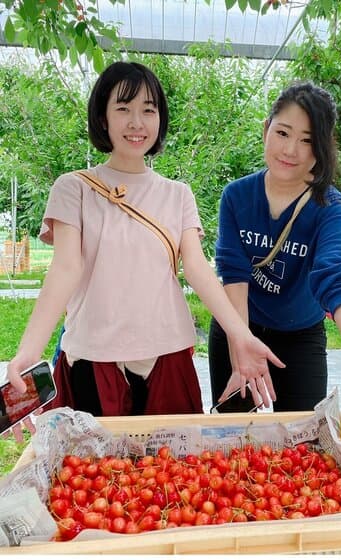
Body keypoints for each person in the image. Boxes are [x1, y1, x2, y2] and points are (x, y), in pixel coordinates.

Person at [5, 61, 281, 437]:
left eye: (148, 109)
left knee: (169, 477)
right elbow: (65, 268)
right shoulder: (74, 188)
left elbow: (198, 270)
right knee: (97, 481)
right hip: (95, 357)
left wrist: (241, 335)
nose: (137, 122)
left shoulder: (177, 194)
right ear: (103, 118)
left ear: (160, 118)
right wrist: (29, 351)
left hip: (168, 355)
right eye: (123, 109)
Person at [208, 82, 341, 449]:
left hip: (300, 336)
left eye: (306, 140)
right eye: (283, 132)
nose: (290, 149)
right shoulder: (237, 196)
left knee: (303, 445)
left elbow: (338, 276)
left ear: (321, 148)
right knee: (232, 442)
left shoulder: (330, 208)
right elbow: (234, 275)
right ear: (266, 129)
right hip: (238, 327)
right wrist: (241, 342)